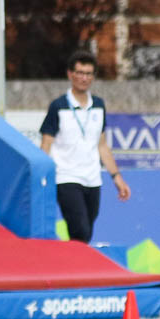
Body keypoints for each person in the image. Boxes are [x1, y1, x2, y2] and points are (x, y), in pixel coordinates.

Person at [39, 49, 131, 244]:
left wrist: (117, 177)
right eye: (80, 73)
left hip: (92, 178)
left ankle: (71, 262)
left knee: (85, 235)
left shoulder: (98, 105)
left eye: (88, 74)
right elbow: (46, 143)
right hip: (66, 177)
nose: (84, 78)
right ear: (70, 74)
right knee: (80, 229)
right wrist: (42, 177)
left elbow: (102, 145)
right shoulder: (58, 106)